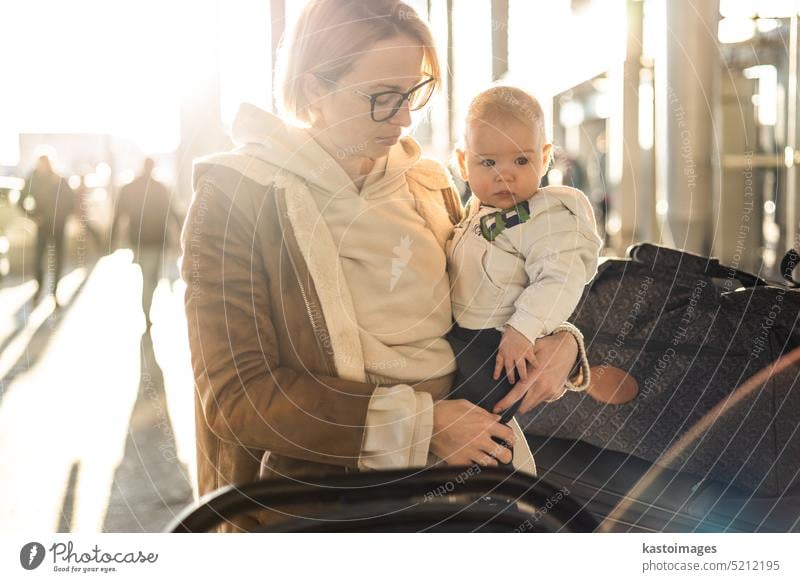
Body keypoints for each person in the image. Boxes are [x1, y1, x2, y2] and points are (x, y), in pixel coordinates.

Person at [181, 0, 590, 532]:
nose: (403, 118)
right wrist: (420, 428)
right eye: (382, 98)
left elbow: (500, 284)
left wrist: (561, 341)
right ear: (313, 92)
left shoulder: (428, 181)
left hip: (473, 477)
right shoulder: (237, 198)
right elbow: (239, 397)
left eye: (413, 93)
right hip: (318, 502)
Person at [446, 86, 602, 471]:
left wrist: (524, 329)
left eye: (520, 160)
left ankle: (507, 493)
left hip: (499, 344)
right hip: (464, 338)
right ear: (464, 164)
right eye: (487, 163)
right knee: (474, 430)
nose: (505, 176)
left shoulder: (545, 217)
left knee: (486, 429)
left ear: (545, 158)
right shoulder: (473, 212)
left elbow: (560, 279)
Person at [111, 158, 181, 327]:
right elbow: (172, 212)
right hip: (156, 239)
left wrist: (112, 239)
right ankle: (146, 311)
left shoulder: (130, 187)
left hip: (140, 239)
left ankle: (146, 309)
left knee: (148, 276)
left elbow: (119, 213)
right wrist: (180, 233)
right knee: (153, 278)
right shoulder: (160, 188)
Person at [20, 154, 75, 303]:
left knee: (58, 259)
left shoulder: (58, 179)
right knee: (38, 259)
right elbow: (21, 200)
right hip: (42, 225)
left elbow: (72, 201)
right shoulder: (33, 179)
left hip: (58, 226)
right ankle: (39, 288)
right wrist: (33, 216)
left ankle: (54, 291)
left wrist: (62, 216)